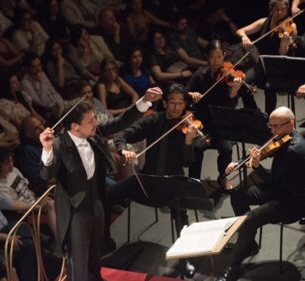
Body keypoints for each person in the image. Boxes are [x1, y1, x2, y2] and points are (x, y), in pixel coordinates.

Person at [39, 87, 162, 280]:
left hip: (96, 201)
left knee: (95, 253)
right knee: (78, 261)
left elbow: (120, 122)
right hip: (75, 211)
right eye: (91, 120)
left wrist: (144, 101)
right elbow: (47, 174)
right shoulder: (59, 145)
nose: (96, 122)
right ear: (74, 127)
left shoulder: (93, 135)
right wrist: (46, 150)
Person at [110, 83, 198, 277]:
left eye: (180, 104)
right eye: (172, 102)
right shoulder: (153, 121)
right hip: (147, 181)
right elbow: (122, 135)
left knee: (181, 215)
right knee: (109, 194)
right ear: (165, 103)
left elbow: (188, 161)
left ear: (185, 106)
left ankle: (185, 259)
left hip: (172, 183)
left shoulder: (188, 127)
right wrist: (123, 149)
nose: (175, 107)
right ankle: (106, 245)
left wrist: (189, 142)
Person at [217, 106, 305, 281]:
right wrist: (240, 163)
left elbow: (272, 180)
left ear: (291, 123)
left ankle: (234, 266)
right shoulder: (284, 138)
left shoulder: (295, 150)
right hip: (279, 189)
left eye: (276, 126)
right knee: (237, 194)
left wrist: (256, 166)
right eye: (270, 126)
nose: (272, 130)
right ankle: (249, 243)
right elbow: (269, 158)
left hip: (292, 201)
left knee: (250, 219)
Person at [186, 40, 243, 190]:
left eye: (219, 57)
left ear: (224, 55)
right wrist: (192, 94)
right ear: (207, 57)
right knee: (197, 147)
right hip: (203, 123)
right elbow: (184, 94)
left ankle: (222, 177)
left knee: (227, 148)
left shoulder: (229, 76)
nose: (216, 61)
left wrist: (234, 91)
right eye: (212, 57)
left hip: (222, 122)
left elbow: (231, 105)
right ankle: (194, 181)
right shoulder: (200, 75)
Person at [235, 0, 296, 114]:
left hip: (278, 69)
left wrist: (284, 43)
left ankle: (270, 120)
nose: (279, 13)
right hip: (262, 65)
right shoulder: (263, 22)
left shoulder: (291, 26)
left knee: (270, 88)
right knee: (244, 83)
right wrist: (244, 37)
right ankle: (254, 112)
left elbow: (282, 55)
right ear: (271, 9)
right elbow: (240, 31)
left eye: (283, 9)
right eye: (276, 9)